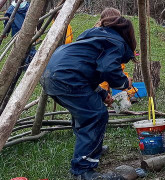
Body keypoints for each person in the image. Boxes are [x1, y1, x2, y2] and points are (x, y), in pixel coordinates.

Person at [40, 16, 136, 180]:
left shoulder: (95, 38)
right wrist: (123, 82)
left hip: (51, 76)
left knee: (84, 114)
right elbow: (108, 69)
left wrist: (103, 94)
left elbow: (85, 69)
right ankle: (83, 169)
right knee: (96, 115)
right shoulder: (116, 43)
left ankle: (91, 148)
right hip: (67, 77)